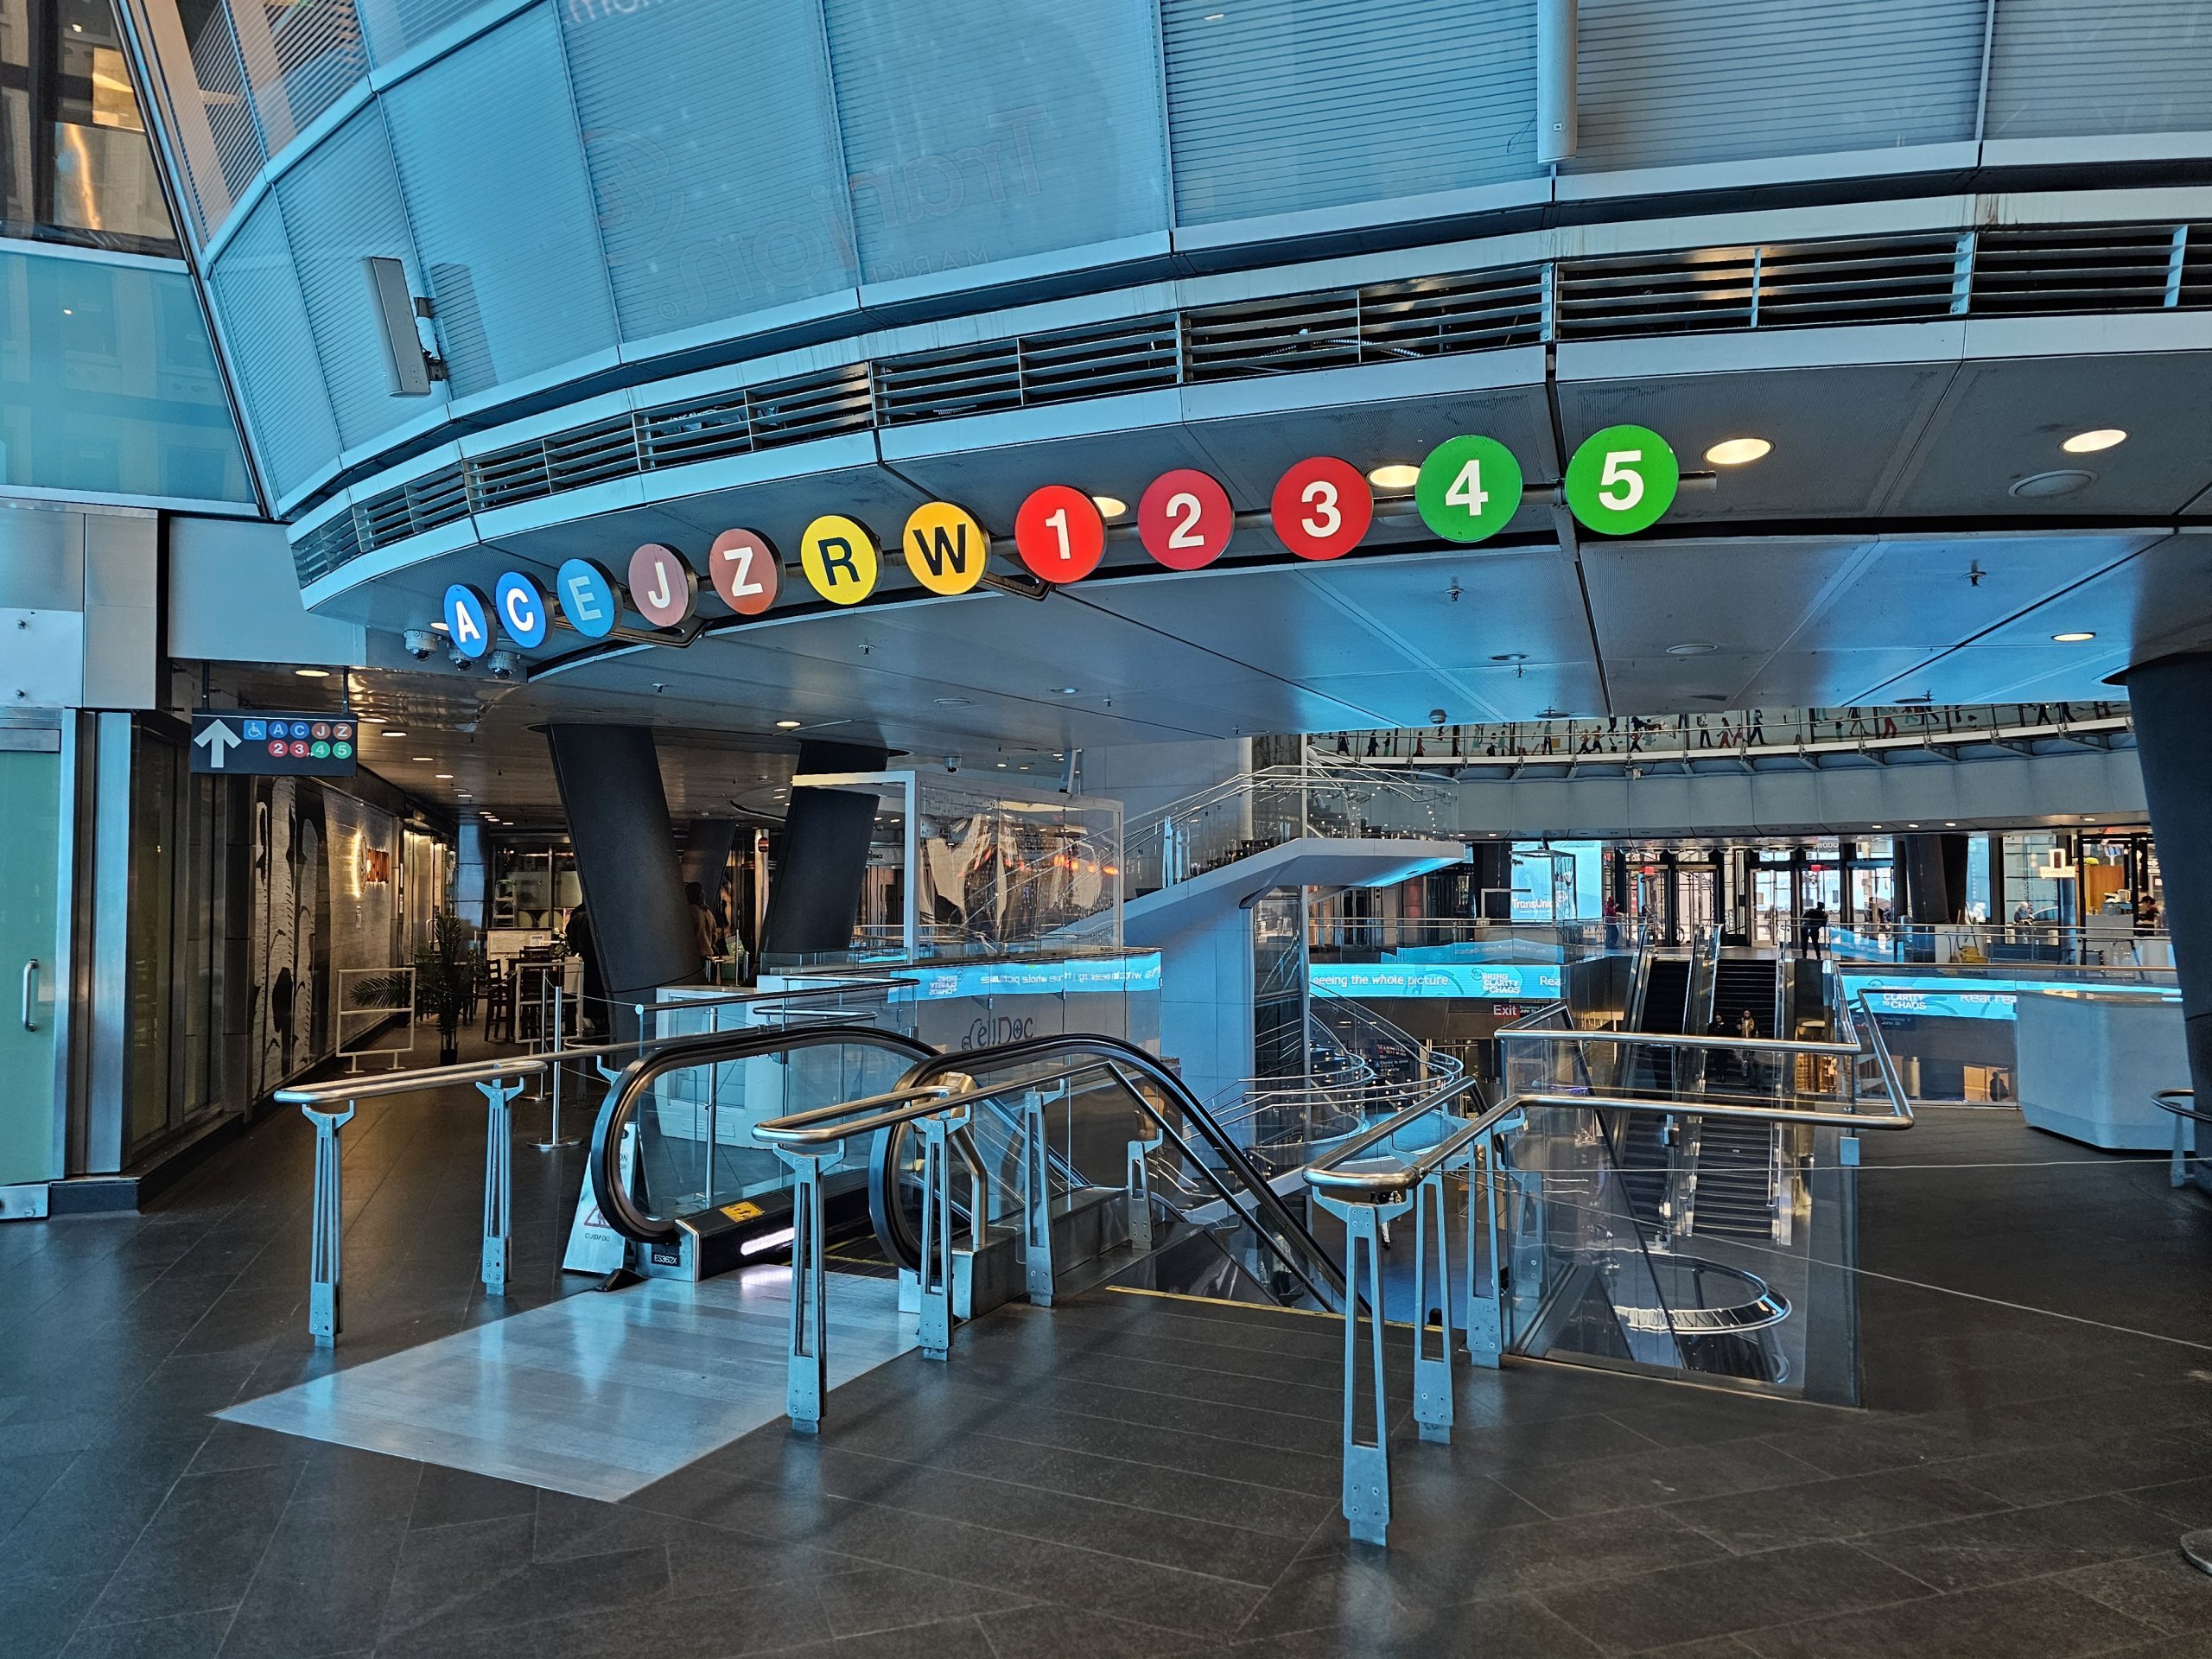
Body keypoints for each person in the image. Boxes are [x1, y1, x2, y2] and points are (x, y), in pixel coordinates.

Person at [565, 906, 604, 1036]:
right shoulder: (601, 910)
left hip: (584, 961)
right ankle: (602, 1025)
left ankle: (586, 1024)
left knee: (586, 993)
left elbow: (569, 935)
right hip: (601, 962)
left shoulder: (577, 913)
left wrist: (576, 950)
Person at [686, 881, 721, 976]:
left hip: (693, 956)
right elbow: (714, 937)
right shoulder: (707, 912)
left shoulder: (689, 911)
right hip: (707, 954)